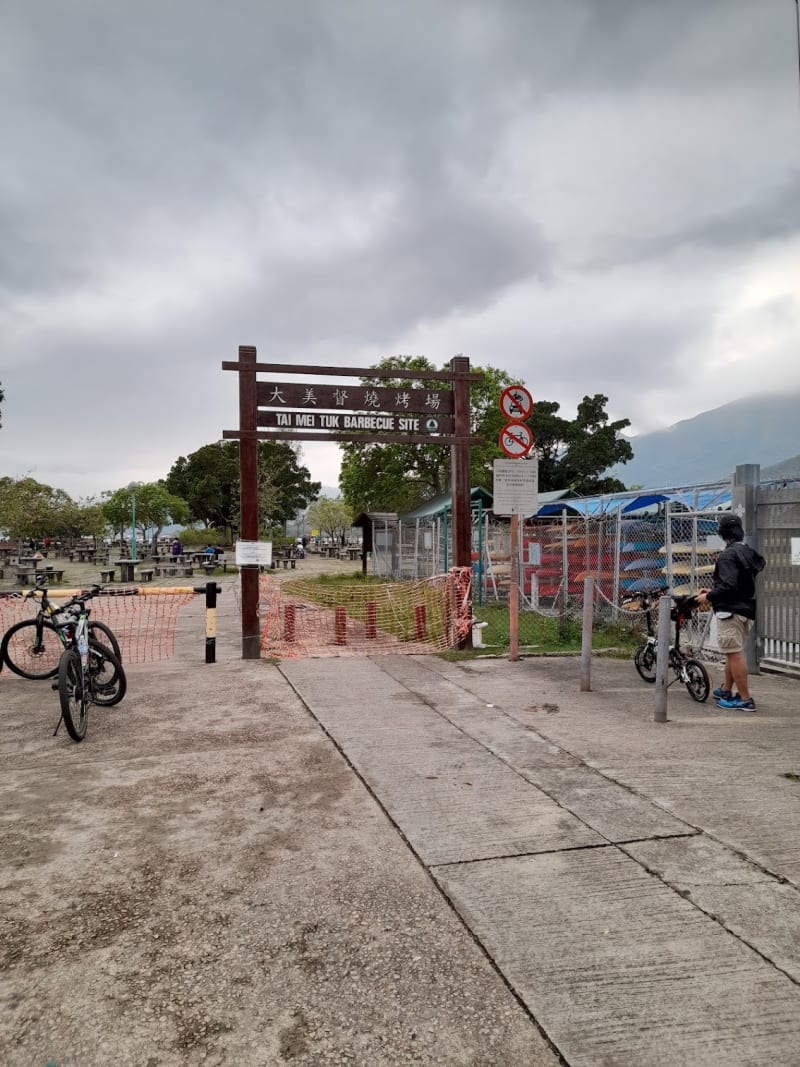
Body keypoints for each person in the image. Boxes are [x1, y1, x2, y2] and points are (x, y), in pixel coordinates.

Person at [696, 514, 766, 712]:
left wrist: (708, 597)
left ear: (721, 532)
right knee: (732, 653)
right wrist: (714, 592)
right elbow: (739, 582)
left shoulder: (727, 555)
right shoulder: (746, 551)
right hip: (746, 609)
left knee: (734, 654)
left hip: (730, 611)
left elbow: (728, 586)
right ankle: (727, 689)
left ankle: (744, 699)